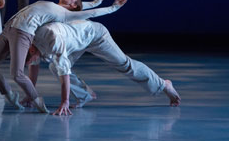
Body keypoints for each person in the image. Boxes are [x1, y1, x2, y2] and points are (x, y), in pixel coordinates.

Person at [0, 0, 127, 113]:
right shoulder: (54, 6)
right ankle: (10, 94)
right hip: (8, 27)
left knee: (17, 73)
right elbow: (83, 6)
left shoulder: (64, 14)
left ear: (72, 5)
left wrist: (113, 8)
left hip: (22, 32)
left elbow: (90, 12)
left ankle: (37, 101)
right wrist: (96, 1)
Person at [25, 19, 182, 116]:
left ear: (32, 50)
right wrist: (30, 94)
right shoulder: (30, 44)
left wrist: (64, 102)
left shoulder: (52, 39)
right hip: (76, 41)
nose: (32, 62)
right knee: (54, 66)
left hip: (96, 35)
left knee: (125, 65)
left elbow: (64, 71)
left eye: (31, 59)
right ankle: (84, 94)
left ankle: (164, 84)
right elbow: (33, 66)